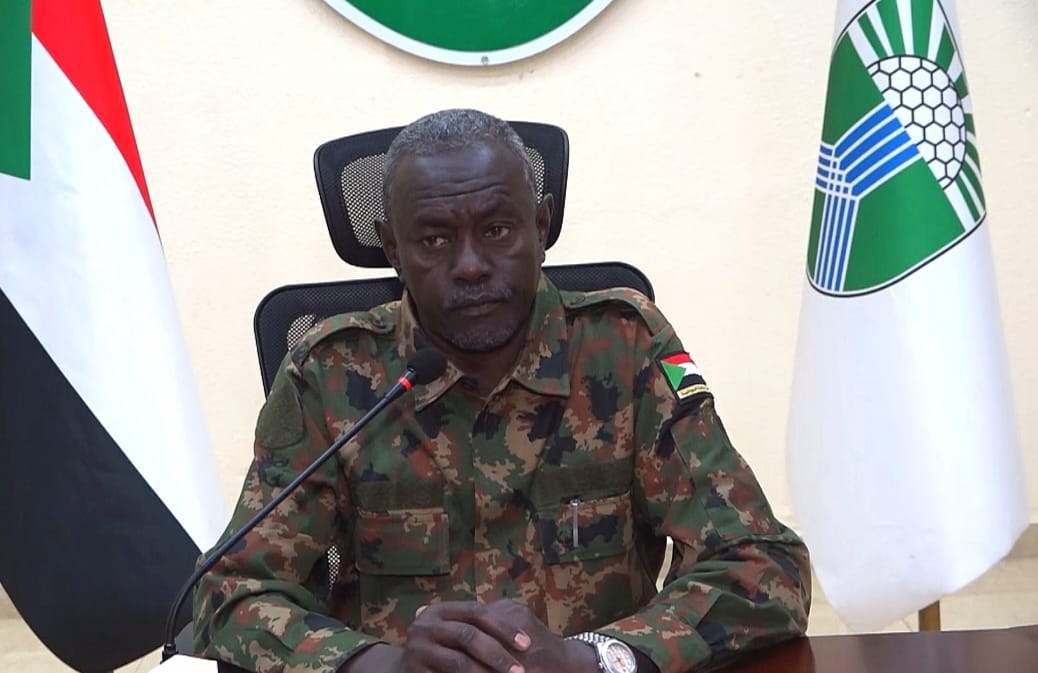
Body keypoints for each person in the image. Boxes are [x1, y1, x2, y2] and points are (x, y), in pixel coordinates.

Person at [193, 109, 811, 673]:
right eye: (434, 239)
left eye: (497, 229)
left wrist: (591, 658)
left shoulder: (625, 349)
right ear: (393, 250)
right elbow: (229, 593)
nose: (470, 265)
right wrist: (381, 665)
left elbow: (766, 567)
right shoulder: (330, 374)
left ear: (540, 226)